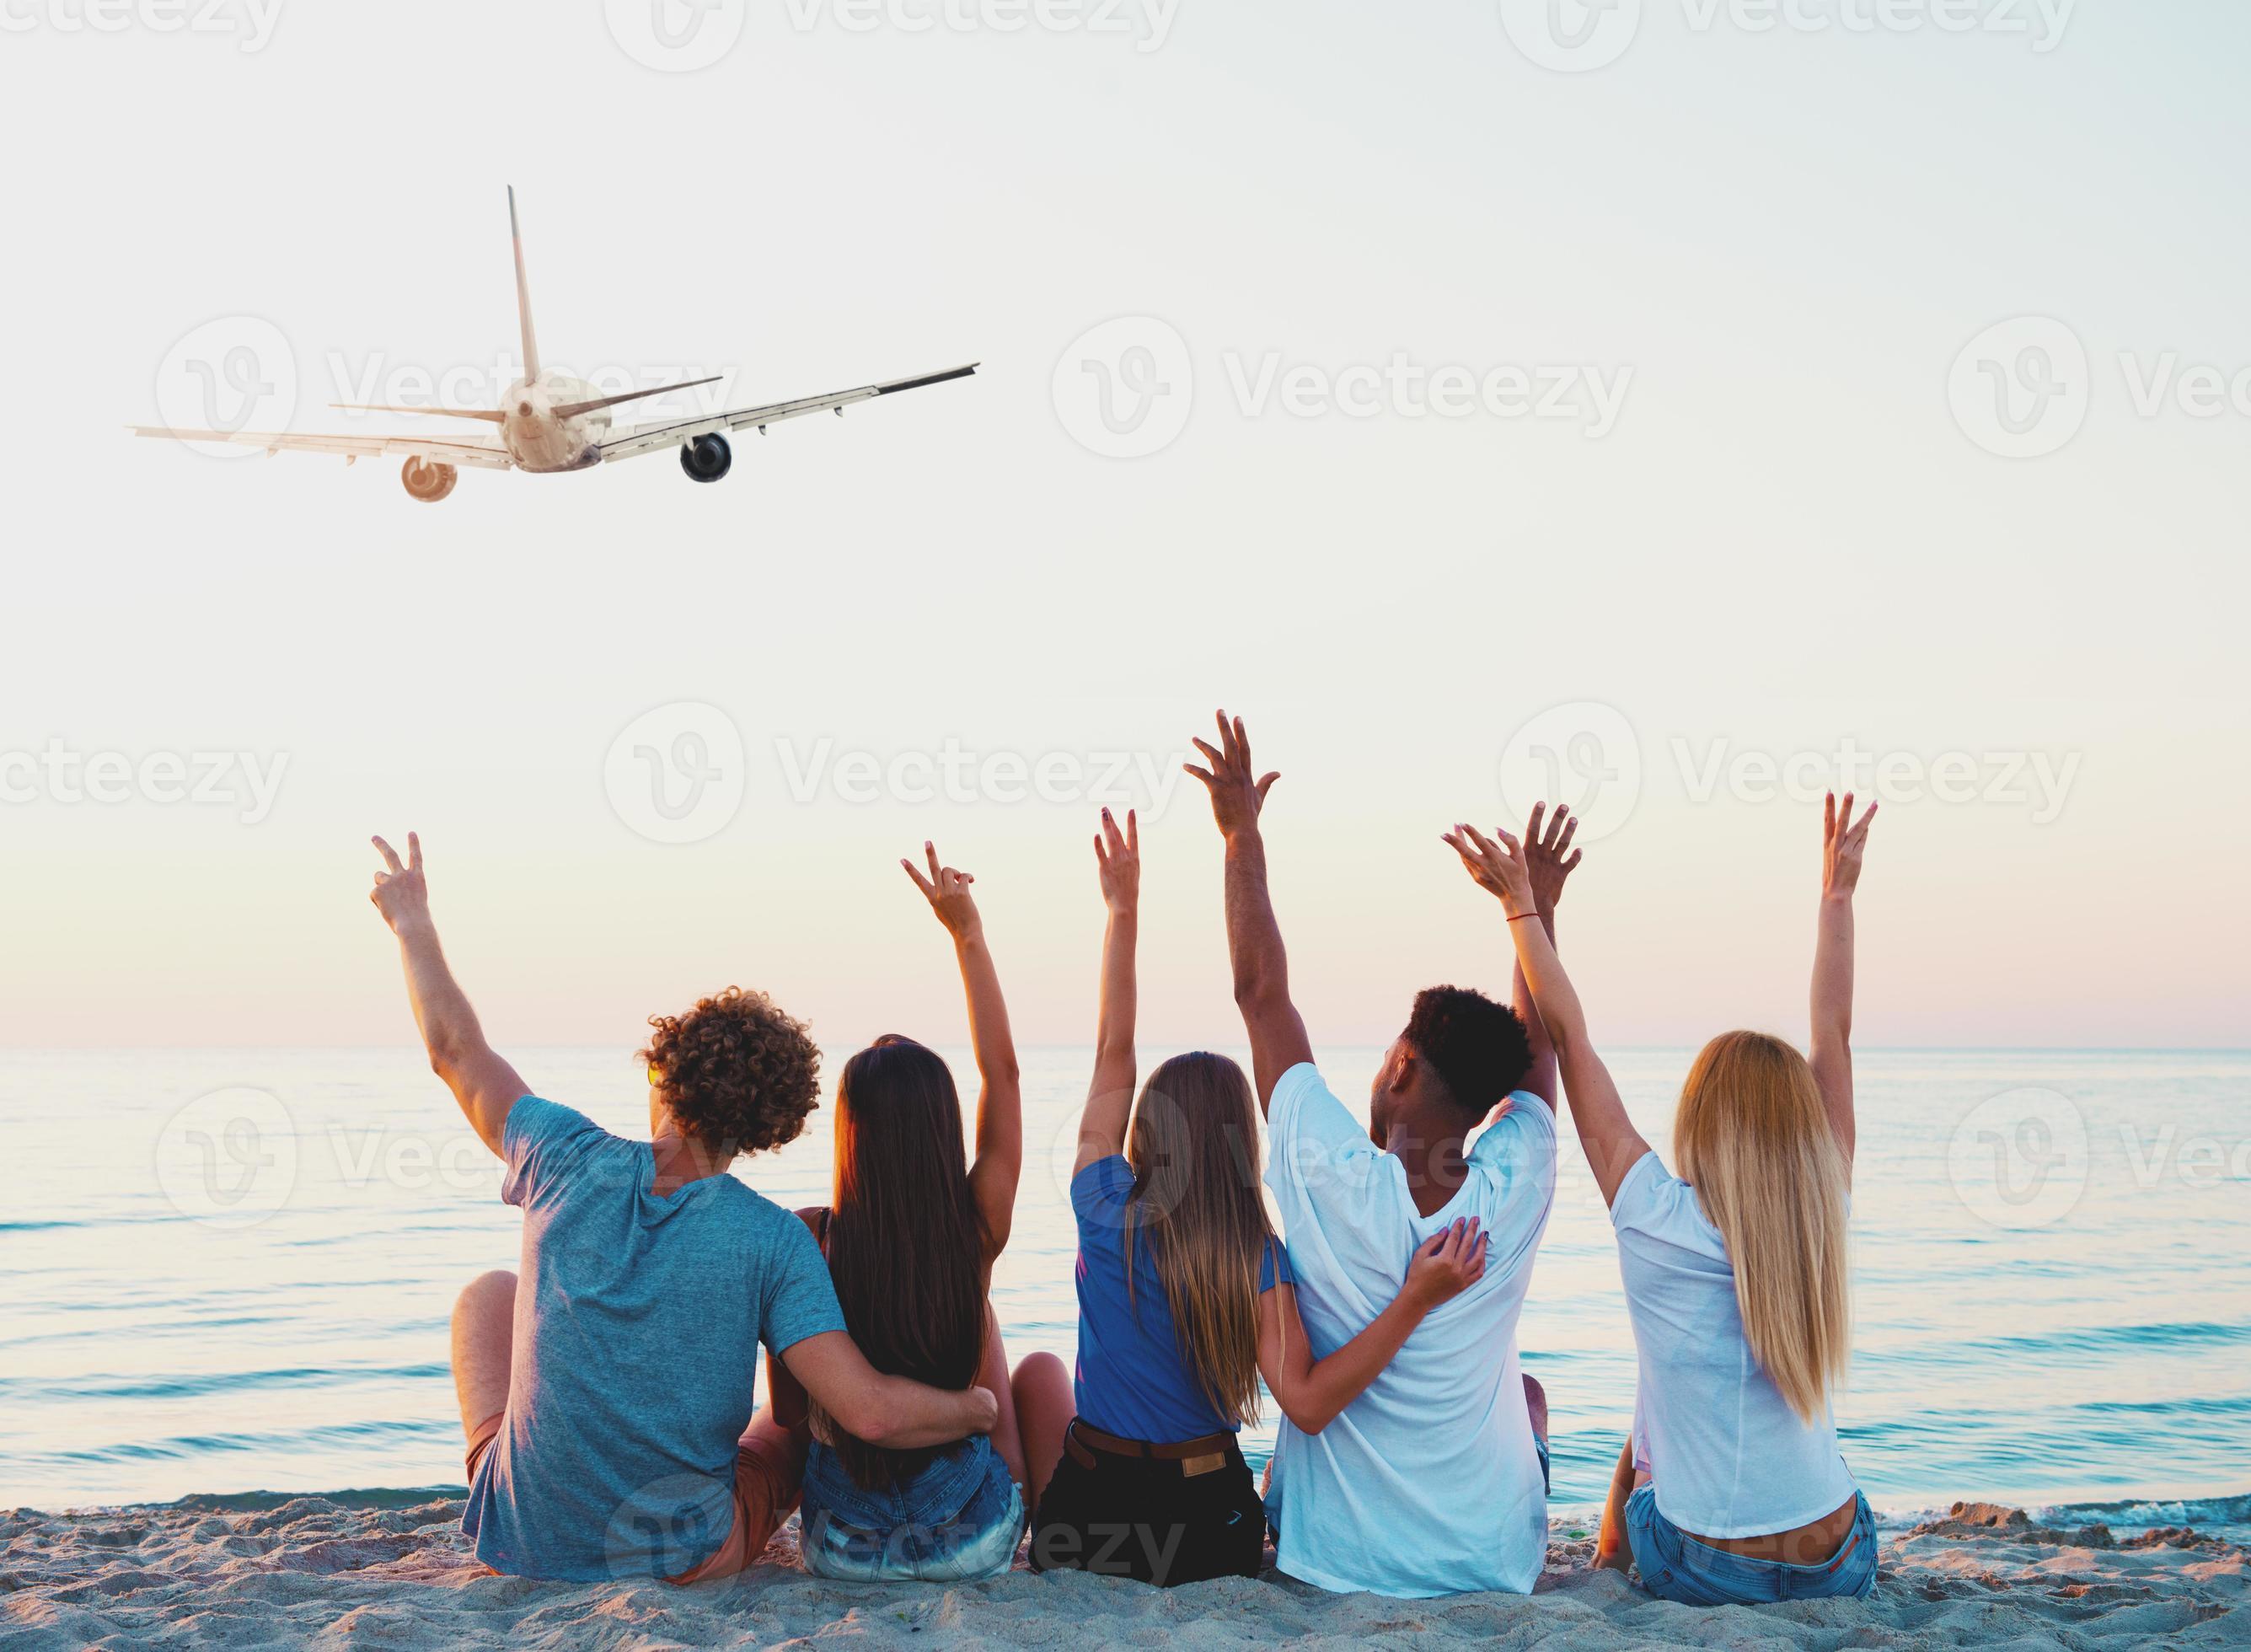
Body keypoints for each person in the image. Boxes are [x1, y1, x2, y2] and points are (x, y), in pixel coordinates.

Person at [365, 833, 997, 1584]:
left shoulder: (558, 1152)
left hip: (530, 1546)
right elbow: (870, 1415)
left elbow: (455, 1051)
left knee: (484, 1297)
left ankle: (511, 1491)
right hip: (682, 1561)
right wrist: (978, 1410)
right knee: (788, 1430)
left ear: (663, 1069)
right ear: (772, 1127)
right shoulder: (773, 1239)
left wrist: (412, 922)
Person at [1030, 806, 1492, 1588]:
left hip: (1092, 1523)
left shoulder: (1101, 1200)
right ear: (1243, 1142)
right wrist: (1414, 1299)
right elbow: (1306, 1405)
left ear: (1148, 1128)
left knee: (1040, 1383)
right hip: (1204, 1526)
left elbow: (1113, 1049)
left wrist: (1122, 910)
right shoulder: (1259, 1257)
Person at [1443, 792, 1880, 1606]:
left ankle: (1608, 1557)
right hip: (1841, 1560)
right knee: (1668, 1388)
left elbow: (1568, 1038)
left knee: (1654, 1410)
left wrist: (1520, 910)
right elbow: (1833, 1033)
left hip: (1707, 1570)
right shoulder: (1828, 1201)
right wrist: (1836, 897)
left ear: (1702, 1124)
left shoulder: (1656, 1215)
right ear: (1797, 1126)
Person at [1184, 713, 1570, 1599]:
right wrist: (1531, 909)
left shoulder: (1321, 1166)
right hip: (1492, 1564)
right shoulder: (1518, 1180)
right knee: (1529, 1391)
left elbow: (1259, 990)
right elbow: (1539, 1053)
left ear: (1399, 1066)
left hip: (1337, 1567)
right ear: (1486, 1105)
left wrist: (1241, 834)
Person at [764, 843, 1071, 1582]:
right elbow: (1003, 1073)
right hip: (973, 1539)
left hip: (843, 1547)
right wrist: (967, 935)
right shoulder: (975, 1228)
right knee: (1005, 1341)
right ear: (943, 1129)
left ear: (849, 1133)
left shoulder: (804, 1236)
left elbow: (788, 1415)